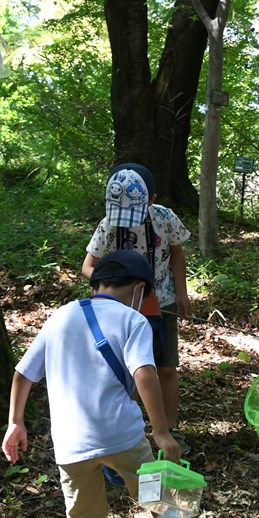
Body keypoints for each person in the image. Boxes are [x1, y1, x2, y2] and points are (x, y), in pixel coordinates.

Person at [2, 250, 207, 518]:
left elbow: (24, 374)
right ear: (140, 289)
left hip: (71, 443)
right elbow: (144, 374)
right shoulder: (133, 320)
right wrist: (161, 432)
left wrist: (15, 423)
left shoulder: (60, 317)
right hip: (122, 434)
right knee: (156, 492)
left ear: (96, 284)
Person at [82, 164, 193, 454]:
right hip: (122, 308)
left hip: (162, 299)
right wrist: (111, 287)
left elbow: (178, 254)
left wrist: (181, 293)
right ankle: (132, 432)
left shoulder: (165, 218)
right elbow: (88, 265)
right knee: (130, 368)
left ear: (152, 200)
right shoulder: (109, 223)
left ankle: (170, 428)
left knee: (166, 366)